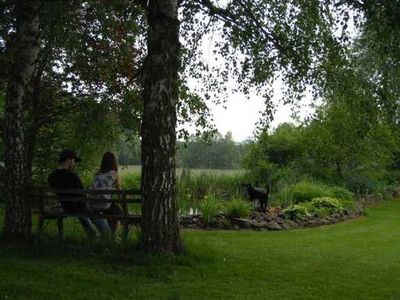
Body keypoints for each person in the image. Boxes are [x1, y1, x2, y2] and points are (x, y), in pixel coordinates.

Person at [48, 149, 109, 239]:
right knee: (97, 213)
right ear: (68, 160)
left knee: (81, 210)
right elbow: (82, 193)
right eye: (73, 161)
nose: (74, 164)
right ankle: (108, 238)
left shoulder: (52, 175)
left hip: (66, 206)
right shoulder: (72, 176)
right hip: (78, 207)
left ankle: (92, 234)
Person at [90, 152, 124, 237]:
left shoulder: (97, 174)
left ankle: (109, 236)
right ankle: (113, 237)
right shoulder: (114, 174)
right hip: (105, 205)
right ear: (114, 162)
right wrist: (121, 203)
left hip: (94, 205)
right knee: (119, 213)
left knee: (112, 210)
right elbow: (119, 192)